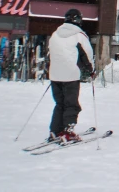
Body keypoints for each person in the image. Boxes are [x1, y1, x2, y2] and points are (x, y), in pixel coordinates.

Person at [47, 8, 95, 143]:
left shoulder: (55, 34)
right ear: (79, 20)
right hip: (70, 75)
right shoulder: (79, 35)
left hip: (55, 75)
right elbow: (87, 54)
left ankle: (55, 131)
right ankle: (68, 132)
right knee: (71, 105)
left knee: (60, 104)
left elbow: (51, 54)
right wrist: (91, 70)